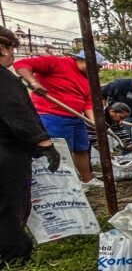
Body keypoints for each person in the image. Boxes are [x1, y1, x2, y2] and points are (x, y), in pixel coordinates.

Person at [0, 26, 61, 265]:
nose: (13, 55)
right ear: (2, 48)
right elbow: (16, 112)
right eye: (12, 49)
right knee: (9, 204)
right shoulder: (3, 78)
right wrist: (44, 144)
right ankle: (14, 258)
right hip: (6, 153)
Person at [14, 48, 104, 186]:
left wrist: (92, 120)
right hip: (52, 116)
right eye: (96, 67)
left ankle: (87, 180)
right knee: (60, 151)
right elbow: (21, 64)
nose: (97, 71)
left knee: (81, 149)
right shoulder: (56, 62)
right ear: (85, 61)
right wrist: (33, 82)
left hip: (76, 117)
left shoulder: (88, 79)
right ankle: (64, 185)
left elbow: (88, 102)